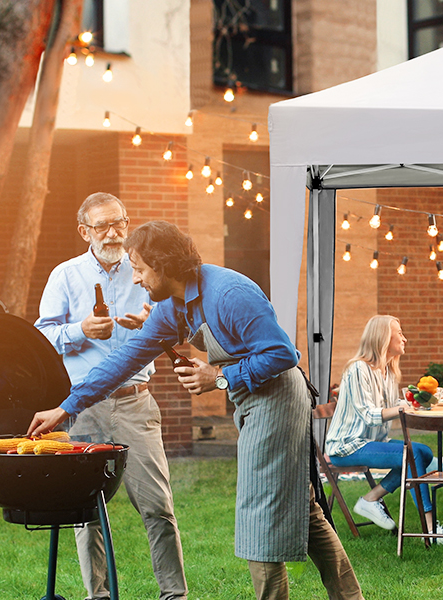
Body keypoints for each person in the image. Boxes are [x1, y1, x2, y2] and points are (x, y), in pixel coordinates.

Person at [29, 221, 362, 600]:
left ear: (163, 265)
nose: (135, 278)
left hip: (280, 399)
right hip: (251, 400)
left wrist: (219, 377)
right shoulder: (171, 307)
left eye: (139, 268)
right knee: (305, 511)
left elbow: (283, 354)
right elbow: (124, 360)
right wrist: (66, 408)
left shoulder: (228, 293)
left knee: (259, 513)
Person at [33, 193, 187, 600]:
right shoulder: (65, 275)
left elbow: (180, 325)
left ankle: (175, 595)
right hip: (84, 407)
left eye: (119, 222)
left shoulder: (146, 268)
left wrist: (152, 323)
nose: (113, 232)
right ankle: (97, 596)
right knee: (87, 513)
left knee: (157, 506)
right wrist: (81, 330)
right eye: (101, 225)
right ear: (84, 231)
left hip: (136, 401)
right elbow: (41, 339)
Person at [323, 315, 443, 544]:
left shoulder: (388, 371)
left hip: (373, 441)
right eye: (400, 334)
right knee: (413, 455)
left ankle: (371, 498)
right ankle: (430, 529)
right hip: (347, 445)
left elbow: (391, 406)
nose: (404, 338)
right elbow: (369, 414)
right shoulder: (359, 370)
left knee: (422, 452)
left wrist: (419, 401)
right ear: (384, 339)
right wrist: (402, 408)